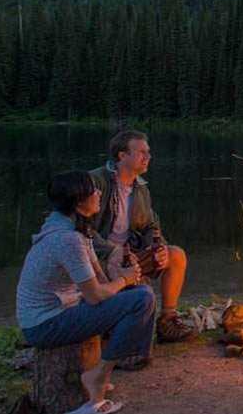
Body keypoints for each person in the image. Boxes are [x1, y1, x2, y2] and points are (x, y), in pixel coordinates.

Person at [16, 170, 155, 414]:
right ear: (79, 201)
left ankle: (117, 360)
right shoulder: (67, 239)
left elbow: (102, 283)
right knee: (141, 299)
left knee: (140, 293)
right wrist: (124, 279)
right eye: (94, 190)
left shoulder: (75, 230)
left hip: (62, 310)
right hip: (44, 325)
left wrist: (121, 270)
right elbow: (95, 296)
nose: (99, 193)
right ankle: (99, 376)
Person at [83, 129, 194, 345]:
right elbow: (83, 228)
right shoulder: (95, 182)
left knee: (176, 255)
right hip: (100, 257)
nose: (148, 157)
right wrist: (111, 250)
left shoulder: (141, 188)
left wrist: (159, 247)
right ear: (122, 156)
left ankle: (168, 320)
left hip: (129, 253)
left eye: (148, 152)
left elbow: (151, 226)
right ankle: (111, 328)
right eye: (141, 152)